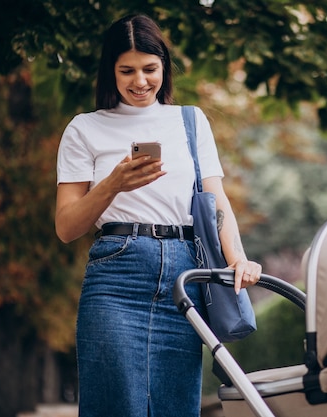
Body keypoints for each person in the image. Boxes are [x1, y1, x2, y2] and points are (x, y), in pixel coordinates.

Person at [55, 14, 262, 417]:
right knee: (116, 407)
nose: (140, 81)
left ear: (163, 67)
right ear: (110, 72)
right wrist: (114, 183)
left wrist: (237, 258)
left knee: (175, 407)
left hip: (185, 278)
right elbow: (66, 227)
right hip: (117, 276)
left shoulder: (190, 121)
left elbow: (215, 200)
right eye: (126, 70)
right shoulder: (84, 129)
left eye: (150, 69)